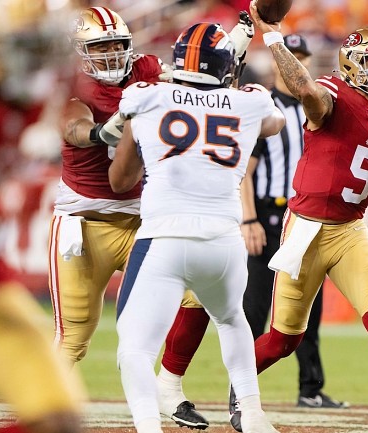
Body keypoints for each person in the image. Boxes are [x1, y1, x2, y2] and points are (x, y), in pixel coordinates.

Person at [54, 7, 254, 429]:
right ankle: (43, 410)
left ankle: (169, 386)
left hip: (143, 221)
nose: (109, 54)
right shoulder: (73, 86)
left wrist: (239, 38)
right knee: (74, 337)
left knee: (198, 295)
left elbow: (196, 83)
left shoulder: (146, 71)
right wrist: (102, 132)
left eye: (116, 45)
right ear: (80, 53)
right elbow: (74, 126)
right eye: (99, 47)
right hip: (84, 223)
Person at [241, 2, 368, 425]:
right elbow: (307, 93)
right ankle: (239, 390)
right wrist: (273, 35)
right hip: (305, 229)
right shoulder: (333, 93)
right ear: (351, 65)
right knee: (282, 340)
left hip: (350, 231)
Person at [110, 22, 285, 433]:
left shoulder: (145, 96)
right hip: (224, 243)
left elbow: (120, 180)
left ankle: (149, 427)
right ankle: (252, 411)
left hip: (164, 240)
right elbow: (273, 124)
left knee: (134, 349)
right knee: (232, 321)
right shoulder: (251, 102)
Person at [230, 34, 346, 428]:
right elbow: (246, 171)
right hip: (268, 213)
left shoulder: (313, 105)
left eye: (301, 57)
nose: (296, 63)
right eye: (290, 57)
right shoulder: (267, 106)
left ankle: (310, 388)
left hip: (304, 214)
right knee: (257, 305)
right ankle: (240, 390)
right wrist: (249, 220)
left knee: (307, 305)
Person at [0, 4, 85, 432]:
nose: (34, 65)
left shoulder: (22, 107)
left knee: (56, 418)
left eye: (40, 51)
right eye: (24, 50)